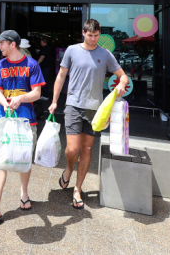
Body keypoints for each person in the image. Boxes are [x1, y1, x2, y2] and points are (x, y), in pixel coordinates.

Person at [49, 19, 128, 210]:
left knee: (86, 150)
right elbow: (60, 76)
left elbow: (122, 75)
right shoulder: (72, 50)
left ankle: (77, 188)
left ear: (99, 34)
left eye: (96, 35)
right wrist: (54, 101)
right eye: (90, 35)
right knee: (72, 149)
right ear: (83, 33)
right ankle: (69, 168)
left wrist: (122, 84)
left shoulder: (105, 54)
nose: (93, 39)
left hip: (95, 109)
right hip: (73, 105)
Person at [0, 30, 44, 230]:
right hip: (3, 121)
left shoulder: (31, 65)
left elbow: (36, 93)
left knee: (24, 158)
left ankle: (24, 194)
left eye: (1, 43)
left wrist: (20, 98)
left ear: (12, 44)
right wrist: (6, 104)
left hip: (27, 122)